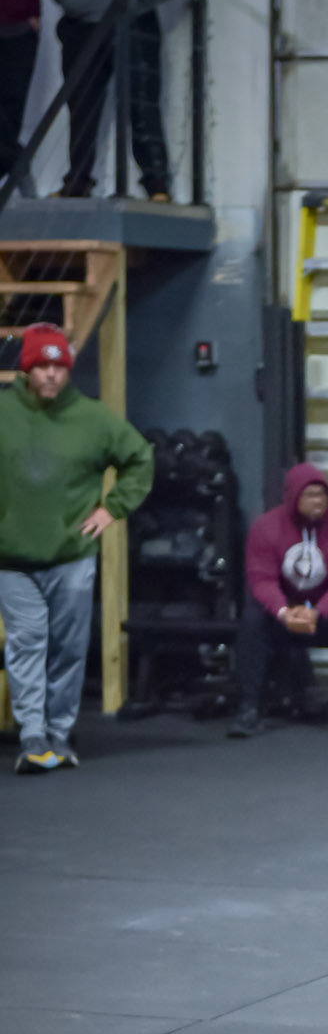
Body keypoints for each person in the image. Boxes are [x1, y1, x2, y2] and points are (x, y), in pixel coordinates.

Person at [0, 322, 152, 771]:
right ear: (25, 370)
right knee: (27, 643)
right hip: (12, 557)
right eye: (41, 366)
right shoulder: (3, 412)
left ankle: (59, 733)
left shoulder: (94, 419)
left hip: (72, 554)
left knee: (67, 646)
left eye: (59, 367)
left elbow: (140, 458)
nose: (51, 374)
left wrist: (112, 509)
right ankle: (32, 736)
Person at [46, 0, 178, 200]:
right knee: (81, 105)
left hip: (134, 21)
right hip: (82, 25)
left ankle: (157, 185)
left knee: (142, 103)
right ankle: (77, 183)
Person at [230, 462, 328, 741]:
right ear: (293, 496)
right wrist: (283, 612)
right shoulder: (265, 528)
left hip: (327, 616)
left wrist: (317, 612)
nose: (318, 501)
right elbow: (261, 579)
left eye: (322, 495)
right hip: (285, 615)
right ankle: (248, 709)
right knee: (252, 616)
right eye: (310, 495)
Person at [0, 0, 40, 184]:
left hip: (16, 26)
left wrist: (33, 10)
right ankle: (15, 164)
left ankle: (13, 167)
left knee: (11, 107)